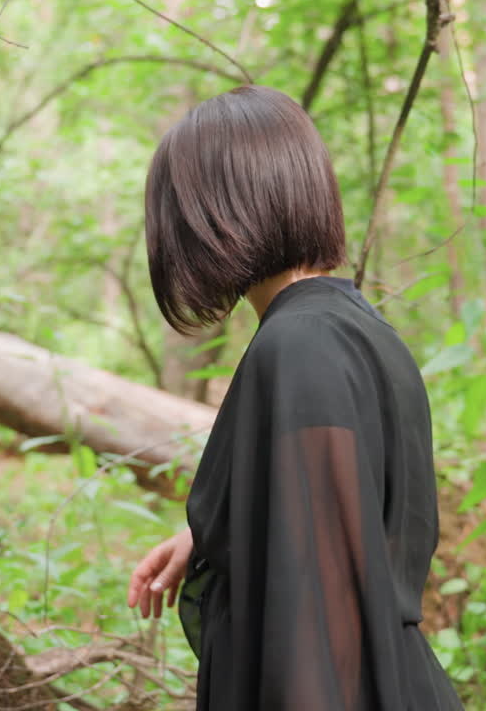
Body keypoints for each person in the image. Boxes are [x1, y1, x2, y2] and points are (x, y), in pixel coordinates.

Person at [127, 85, 464, 711]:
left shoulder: (299, 347)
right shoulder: (358, 330)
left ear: (215, 214)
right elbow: (338, 521)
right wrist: (217, 532)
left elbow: (320, 621)